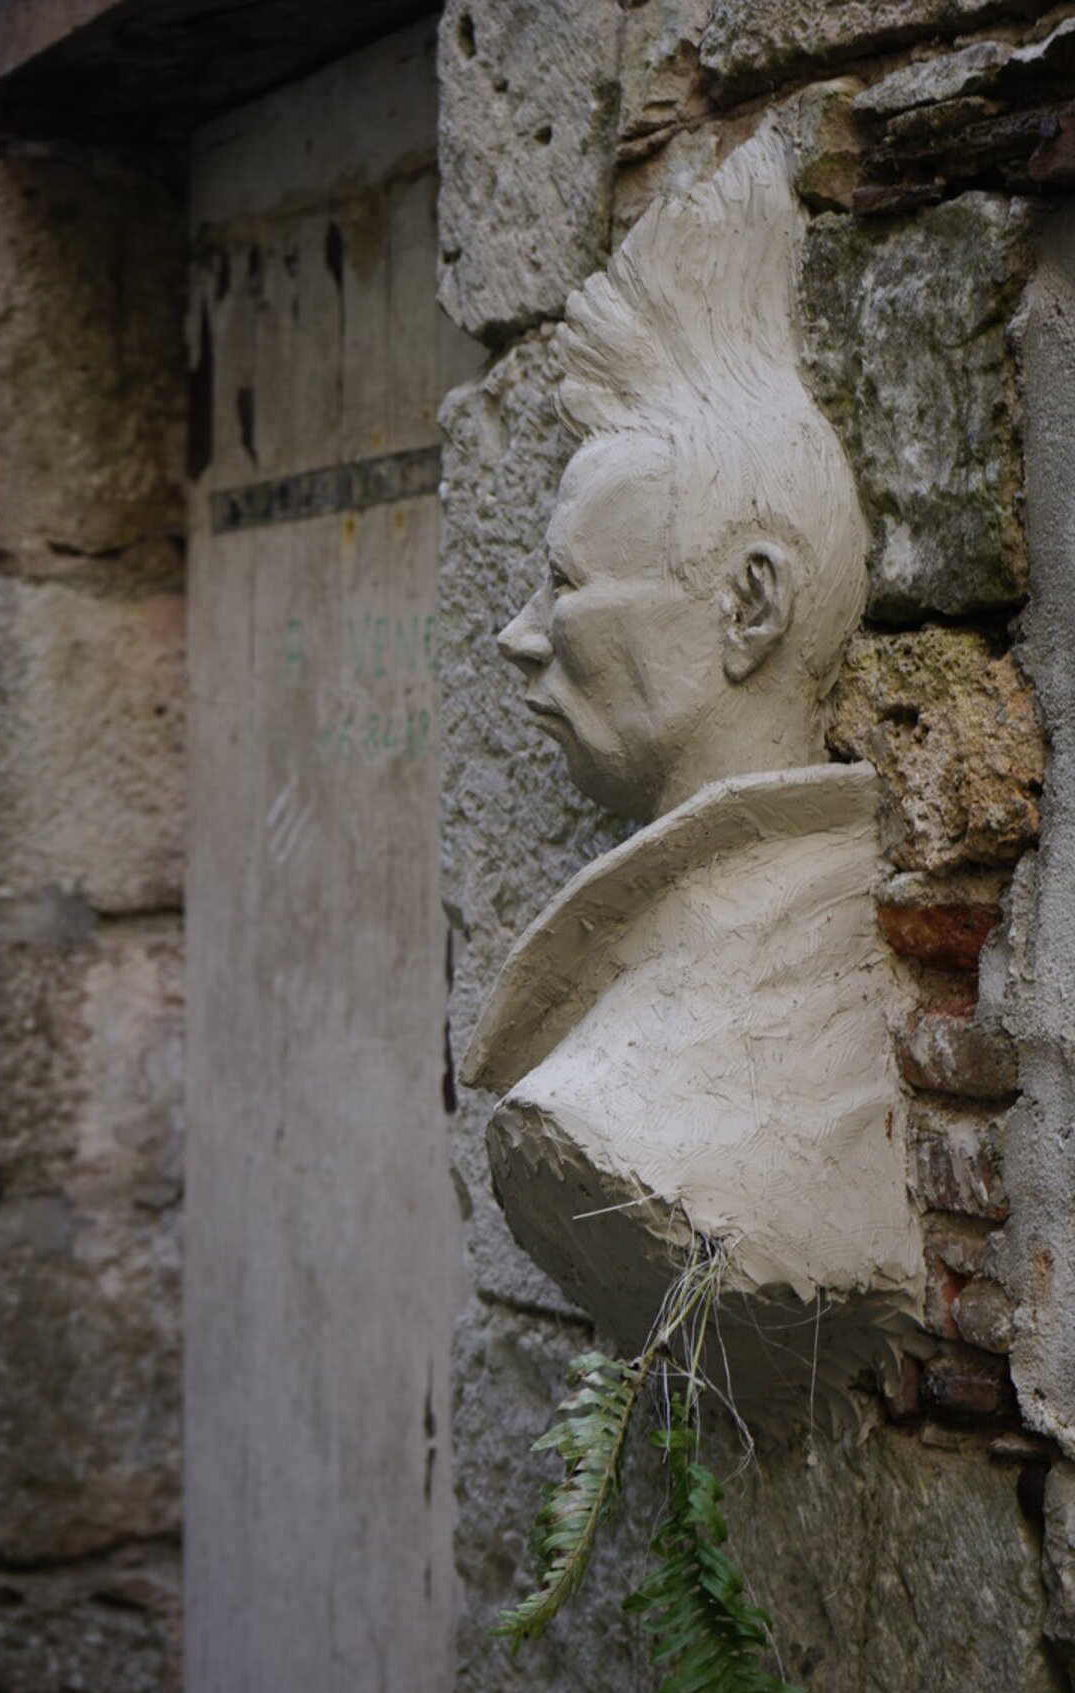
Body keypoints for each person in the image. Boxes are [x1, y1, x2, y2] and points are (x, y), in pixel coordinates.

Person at [462, 128, 923, 1427]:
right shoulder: (703, 979)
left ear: (749, 606)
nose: (523, 633)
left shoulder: (673, 1092)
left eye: (567, 583)